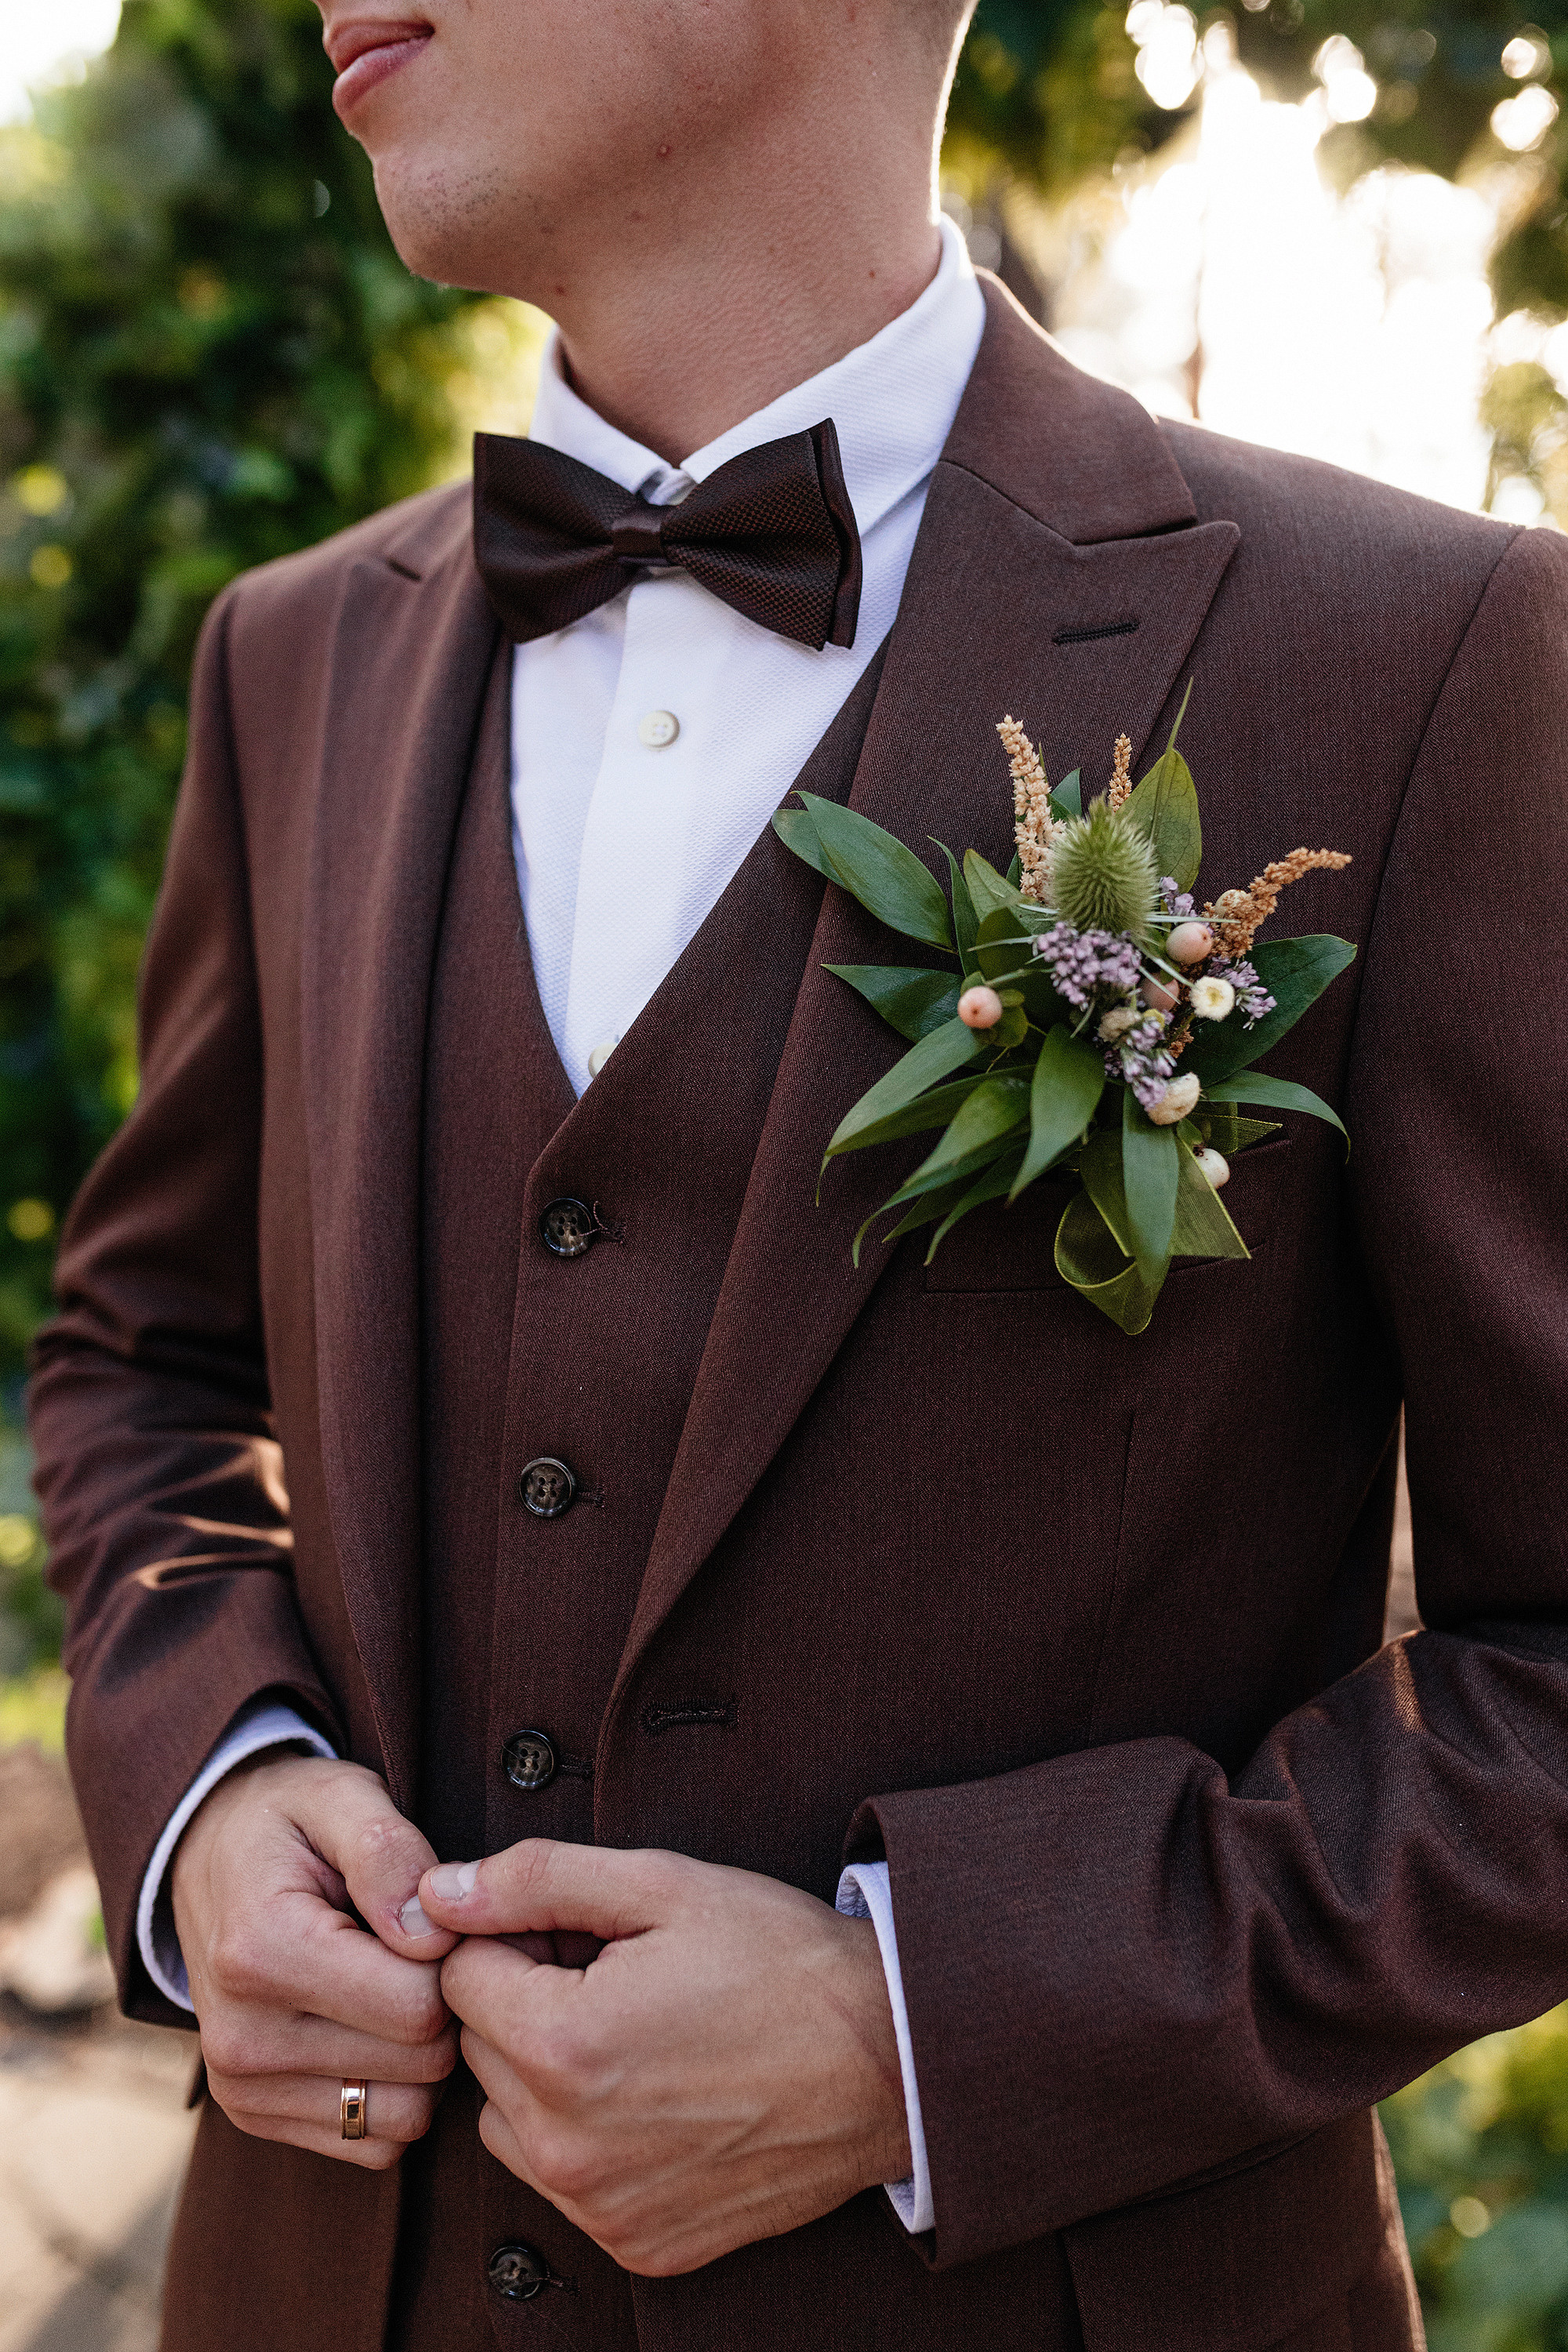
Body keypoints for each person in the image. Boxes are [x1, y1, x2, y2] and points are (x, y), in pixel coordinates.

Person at [27, 0, 1568, 2344]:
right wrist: (208, 1785)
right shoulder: (294, 660)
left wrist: (924, 2026)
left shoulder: (1423, 659)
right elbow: (145, 1362)